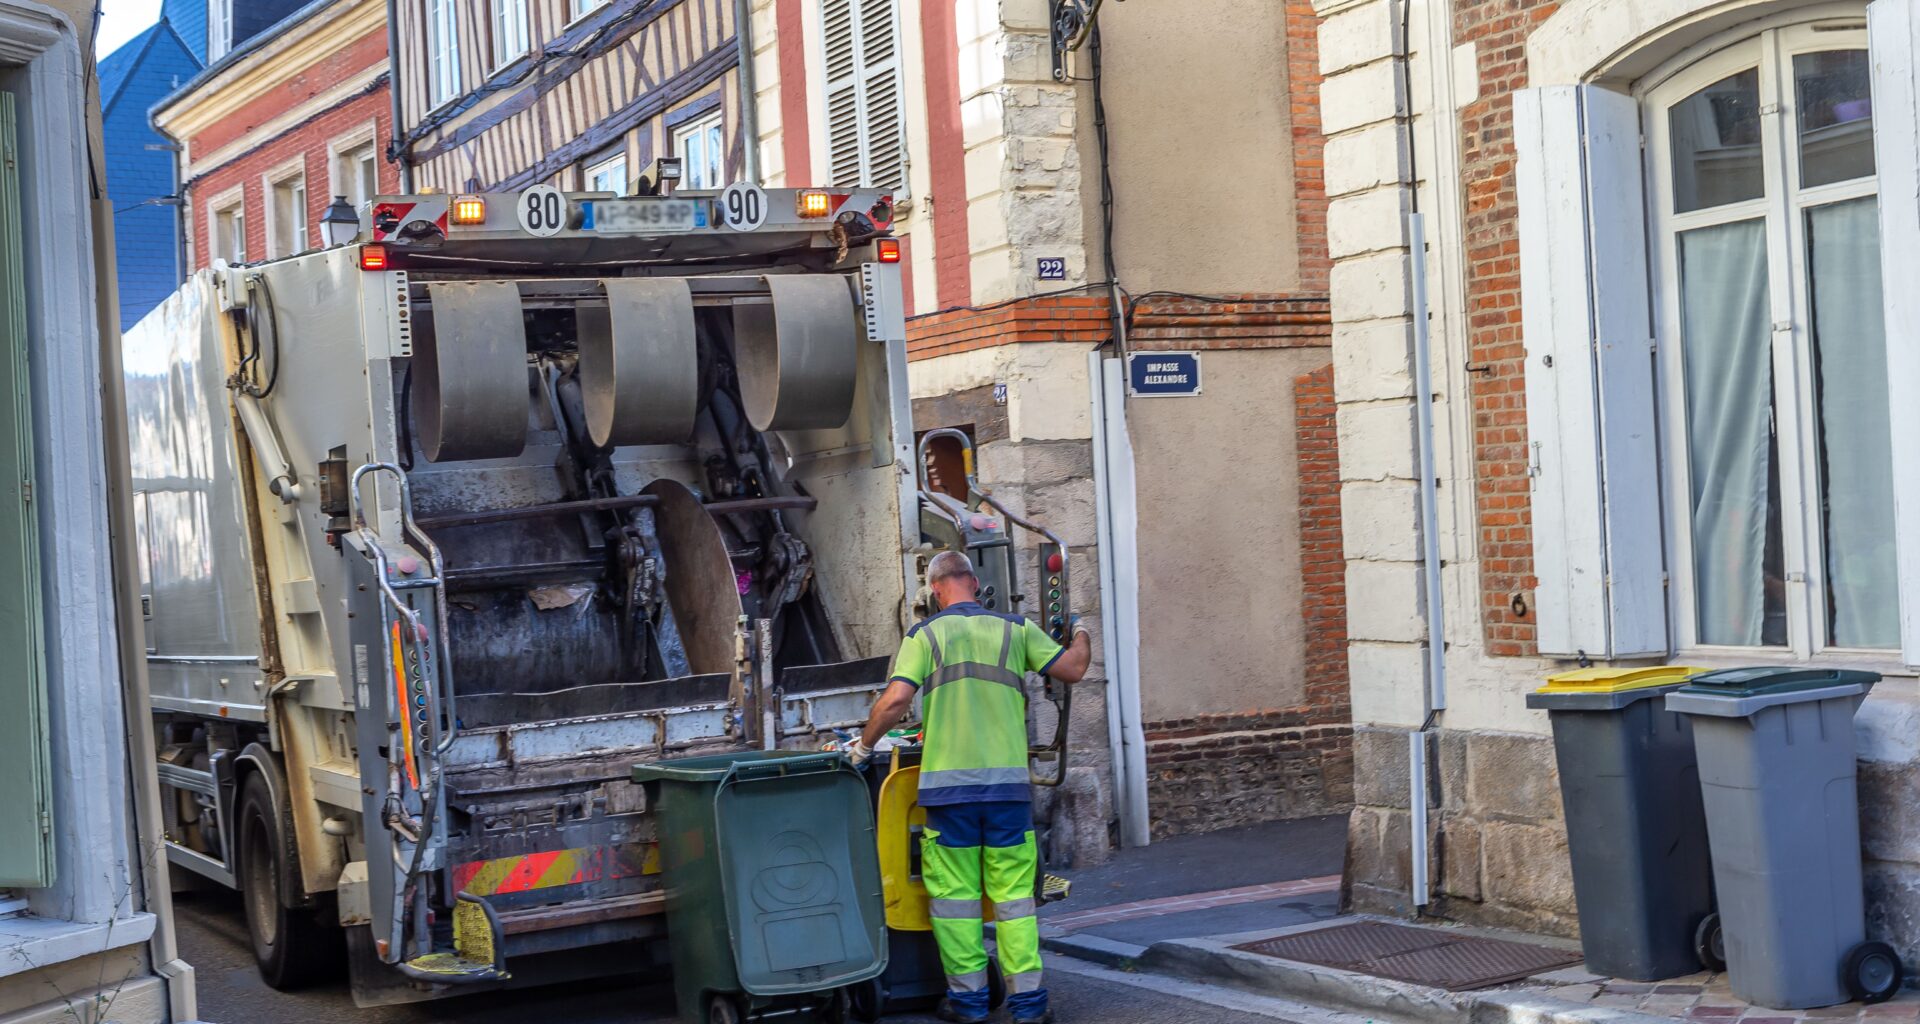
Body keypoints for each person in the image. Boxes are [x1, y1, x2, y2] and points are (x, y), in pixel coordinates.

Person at [846, 550, 1093, 1024]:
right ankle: (1028, 1008)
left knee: (955, 903)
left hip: (949, 796)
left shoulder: (924, 635)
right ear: (975, 585)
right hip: (1007, 795)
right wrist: (1079, 628)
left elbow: (897, 699)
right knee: (1015, 902)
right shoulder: (1016, 630)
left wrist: (862, 745)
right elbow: (1074, 668)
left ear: (936, 590)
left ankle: (968, 1004)